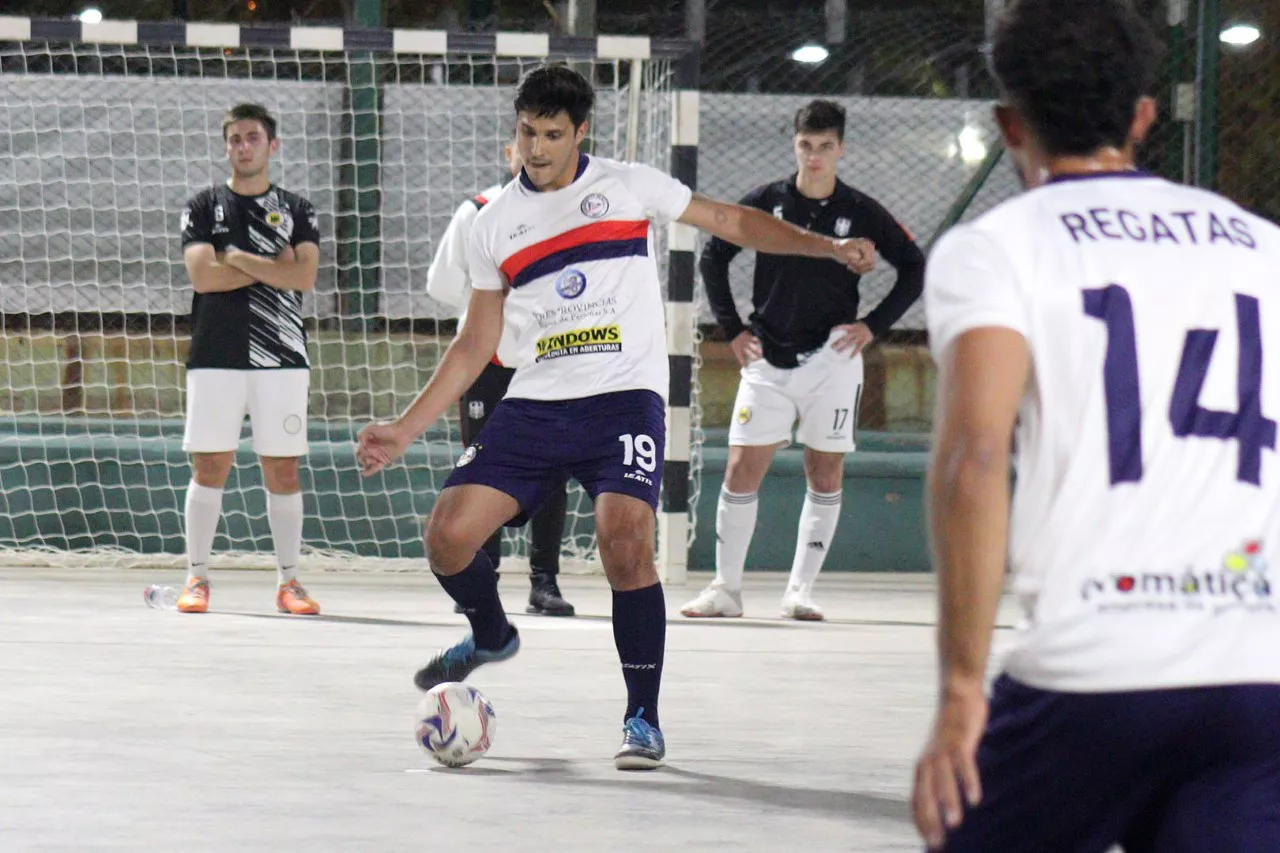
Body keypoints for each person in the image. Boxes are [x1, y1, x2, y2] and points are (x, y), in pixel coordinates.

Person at [356, 65, 876, 770]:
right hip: (537, 400)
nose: (537, 148)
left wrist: (827, 247)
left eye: (552, 134)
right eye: (527, 132)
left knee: (624, 541)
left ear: (581, 132)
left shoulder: (629, 186)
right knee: (447, 537)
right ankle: (491, 632)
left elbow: (733, 221)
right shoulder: (493, 223)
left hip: (624, 397)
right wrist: (403, 428)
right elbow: (476, 340)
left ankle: (642, 717)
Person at [911, 1, 1280, 850]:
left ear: (1010, 126)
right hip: (1257, 675)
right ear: (1143, 117)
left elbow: (974, 458)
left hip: (1095, 668)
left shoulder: (997, 247)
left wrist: (962, 687)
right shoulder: (1264, 249)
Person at [680, 99, 924, 621]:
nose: (814, 157)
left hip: (832, 358)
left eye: (824, 147)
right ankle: (725, 589)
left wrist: (873, 326)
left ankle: (800, 591)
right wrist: (732, 329)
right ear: (795, 145)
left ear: (841, 149)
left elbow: (915, 267)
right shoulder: (766, 201)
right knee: (741, 469)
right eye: (805, 146)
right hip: (768, 355)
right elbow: (713, 256)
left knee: (825, 471)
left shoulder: (862, 211)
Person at [175, 102, 322, 616]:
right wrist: (270, 266)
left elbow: (304, 276)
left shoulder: (297, 209)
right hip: (216, 353)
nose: (243, 146)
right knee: (209, 465)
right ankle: (196, 577)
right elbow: (203, 277)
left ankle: (289, 582)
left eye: (253, 137)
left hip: (281, 355)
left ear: (272, 145)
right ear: (226, 147)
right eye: (235, 139)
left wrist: (235, 257)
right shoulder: (203, 206)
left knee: (283, 470)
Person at [427, 136, 576, 617]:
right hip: (486, 363)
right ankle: (481, 575)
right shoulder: (477, 211)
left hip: (548, 362)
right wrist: (490, 293)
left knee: (552, 470)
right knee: (480, 468)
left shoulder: (570, 212)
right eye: (523, 144)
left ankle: (544, 580)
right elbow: (440, 283)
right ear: (507, 153)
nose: (534, 153)